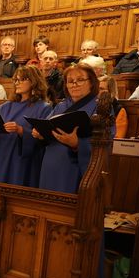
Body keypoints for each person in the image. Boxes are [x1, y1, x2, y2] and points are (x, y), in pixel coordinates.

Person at [0, 64, 52, 187]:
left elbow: (44, 140)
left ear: (34, 82)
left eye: (22, 79)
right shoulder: (6, 106)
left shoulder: (43, 108)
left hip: (20, 160)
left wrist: (21, 131)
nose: (17, 83)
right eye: (16, 79)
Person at [36, 62, 103, 194]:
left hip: (74, 166)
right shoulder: (61, 106)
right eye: (70, 81)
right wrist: (41, 133)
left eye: (80, 80)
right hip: (51, 163)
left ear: (91, 82)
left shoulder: (101, 107)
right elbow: (49, 126)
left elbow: (107, 139)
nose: (74, 84)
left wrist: (78, 144)